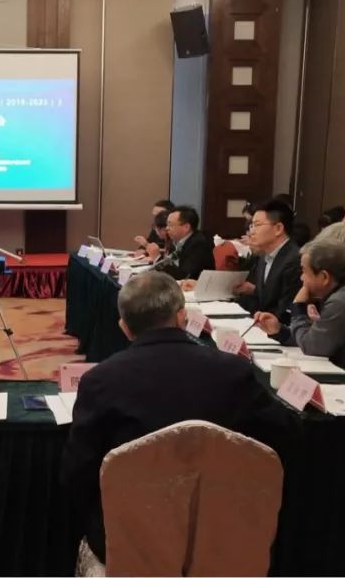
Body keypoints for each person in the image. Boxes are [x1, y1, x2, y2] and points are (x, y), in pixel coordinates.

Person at [61, 272, 293, 564]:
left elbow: (77, 472)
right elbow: (281, 439)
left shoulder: (101, 380)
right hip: (220, 534)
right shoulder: (233, 372)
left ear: (124, 327)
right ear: (182, 317)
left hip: (130, 537)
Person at [254, 239, 345, 375]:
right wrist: (280, 331)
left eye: (304, 271)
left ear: (324, 277)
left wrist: (298, 307)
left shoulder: (343, 303)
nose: (301, 278)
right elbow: (319, 339)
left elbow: (311, 346)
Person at [235, 199, 302, 322]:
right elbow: (261, 300)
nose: (251, 232)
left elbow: (285, 311)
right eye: (251, 225)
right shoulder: (264, 256)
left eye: (257, 225)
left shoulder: (295, 260)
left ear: (278, 228)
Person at [149, 206, 214, 281]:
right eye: (167, 224)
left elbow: (184, 276)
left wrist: (157, 258)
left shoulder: (199, 244)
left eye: (170, 225)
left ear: (186, 227)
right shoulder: (176, 242)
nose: (167, 228)